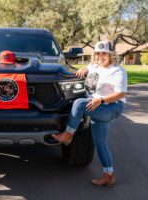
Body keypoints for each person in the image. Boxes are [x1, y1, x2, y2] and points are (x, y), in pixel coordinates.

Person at [52, 40, 127, 187]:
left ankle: (67, 136)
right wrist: (83, 69)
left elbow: (121, 93)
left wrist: (102, 100)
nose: (100, 56)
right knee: (100, 144)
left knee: (79, 104)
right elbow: (89, 66)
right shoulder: (94, 66)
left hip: (111, 107)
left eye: (104, 53)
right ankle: (109, 175)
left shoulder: (118, 70)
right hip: (97, 106)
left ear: (111, 55)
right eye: (97, 53)